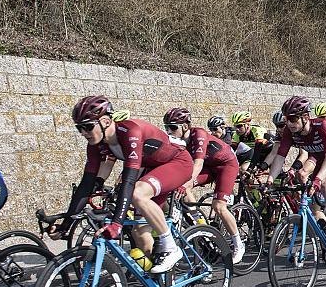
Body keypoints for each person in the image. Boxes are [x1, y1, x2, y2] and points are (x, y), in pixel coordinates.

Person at [60, 95, 192, 273]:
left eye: (87, 126)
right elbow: (87, 184)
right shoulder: (95, 144)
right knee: (140, 231)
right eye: (79, 128)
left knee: (138, 193)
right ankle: (157, 283)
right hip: (152, 169)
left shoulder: (130, 132)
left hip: (177, 163)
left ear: (106, 121)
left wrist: (116, 224)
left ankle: (171, 247)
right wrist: (65, 225)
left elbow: (129, 180)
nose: (83, 133)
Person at [266, 96, 326, 253]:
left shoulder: (323, 126)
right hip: (320, 159)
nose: (289, 123)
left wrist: (318, 180)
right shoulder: (289, 131)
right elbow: (280, 157)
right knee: (314, 206)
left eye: (293, 119)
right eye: (286, 119)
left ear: (305, 117)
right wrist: (270, 180)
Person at [163, 108, 245, 264]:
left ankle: (238, 244)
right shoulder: (176, 142)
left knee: (219, 206)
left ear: (185, 127)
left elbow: (198, 163)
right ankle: (198, 221)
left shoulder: (198, 134)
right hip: (210, 167)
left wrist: (186, 182)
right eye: (166, 127)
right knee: (182, 185)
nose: (169, 131)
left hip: (226, 165)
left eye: (172, 127)